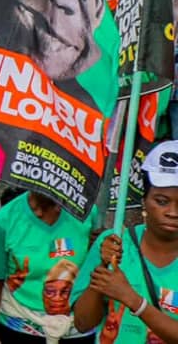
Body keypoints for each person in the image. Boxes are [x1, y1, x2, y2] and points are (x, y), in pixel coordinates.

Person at [73, 140, 178, 343]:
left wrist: (133, 300)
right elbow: (83, 323)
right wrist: (101, 271)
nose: (173, 213)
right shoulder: (113, 244)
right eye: (162, 201)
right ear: (144, 201)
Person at [0, 190, 96, 343]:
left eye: (61, 203)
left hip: (78, 326)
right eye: (51, 203)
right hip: (19, 325)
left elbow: (98, 265)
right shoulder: (4, 220)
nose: (58, 210)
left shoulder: (87, 212)